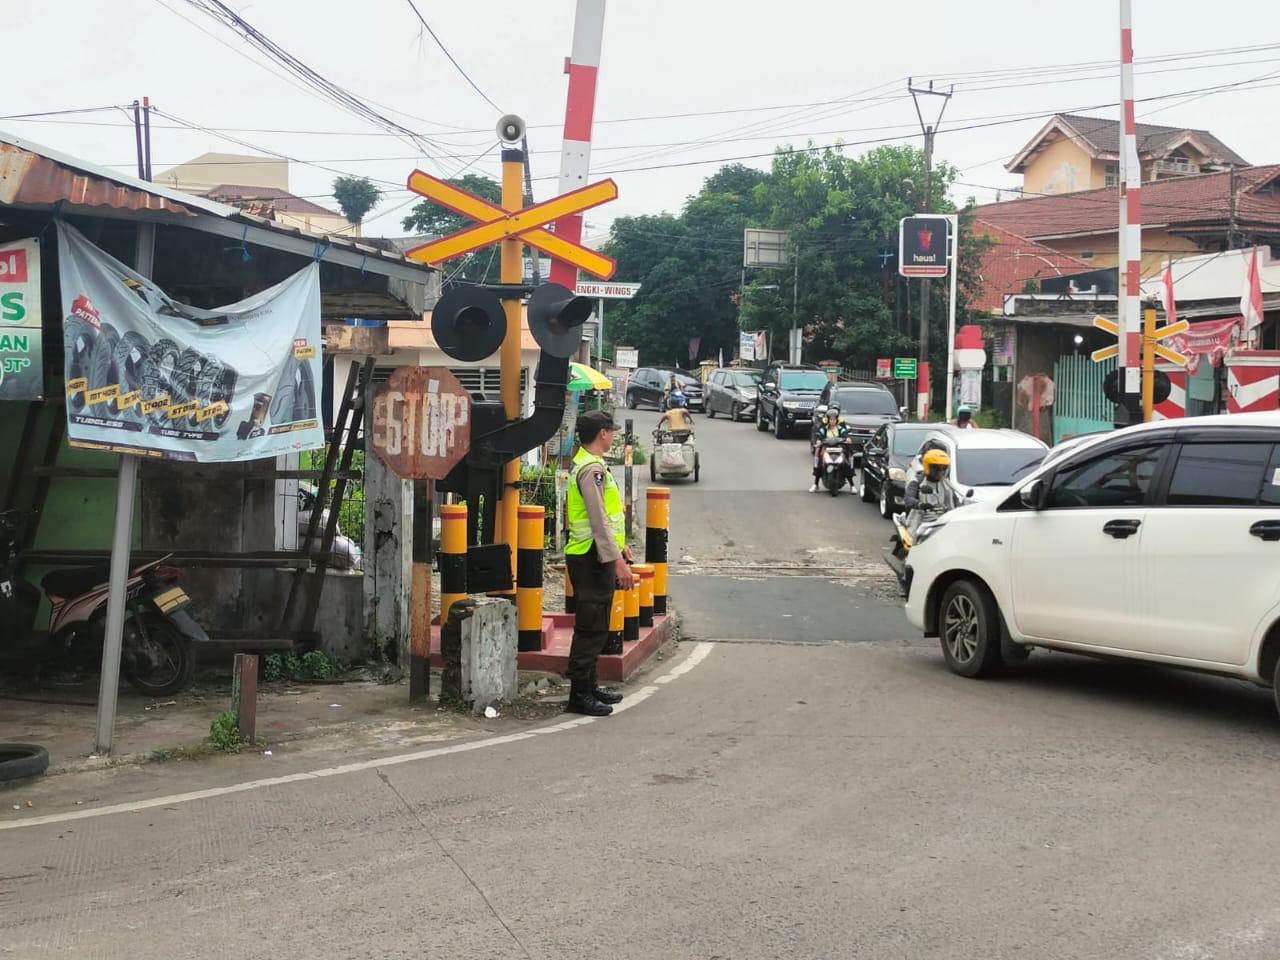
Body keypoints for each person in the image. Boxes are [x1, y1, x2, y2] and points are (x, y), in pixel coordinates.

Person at [563, 410, 634, 717]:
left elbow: (607, 517)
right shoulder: (591, 469)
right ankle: (579, 694)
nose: (613, 436)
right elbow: (598, 520)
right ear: (603, 433)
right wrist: (617, 561)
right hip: (590, 557)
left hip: (595, 554)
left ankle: (590, 685)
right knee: (590, 626)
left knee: (597, 623)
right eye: (611, 431)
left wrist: (621, 546)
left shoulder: (589, 464)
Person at [809, 403, 850, 492]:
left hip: (839, 446)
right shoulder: (824, 424)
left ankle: (852, 484)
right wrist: (818, 441)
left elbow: (845, 433)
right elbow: (819, 434)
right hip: (826, 446)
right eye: (830, 419)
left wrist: (847, 439)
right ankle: (815, 484)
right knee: (819, 460)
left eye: (834, 418)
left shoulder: (841, 424)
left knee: (847, 459)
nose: (832, 421)